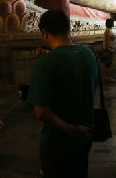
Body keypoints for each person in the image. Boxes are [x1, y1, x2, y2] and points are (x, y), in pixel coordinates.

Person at [27, 10, 98, 178]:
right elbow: (70, 63)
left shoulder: (46, 64)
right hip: (85, 135)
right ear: (68, 29)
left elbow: (41, 112)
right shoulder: (89, 54)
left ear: (45, 33)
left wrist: (72, 130)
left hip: (58, 142)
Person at [99, 18, 116, 82]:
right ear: (111, 24)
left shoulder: (109, 30)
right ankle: (107, 77)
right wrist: (108, 49)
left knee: (107, 64)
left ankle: (106, 76)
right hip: (109, 50)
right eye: (113, 23)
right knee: (108, 64)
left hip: (110, 49)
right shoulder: (108, 31)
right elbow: (106, 41)